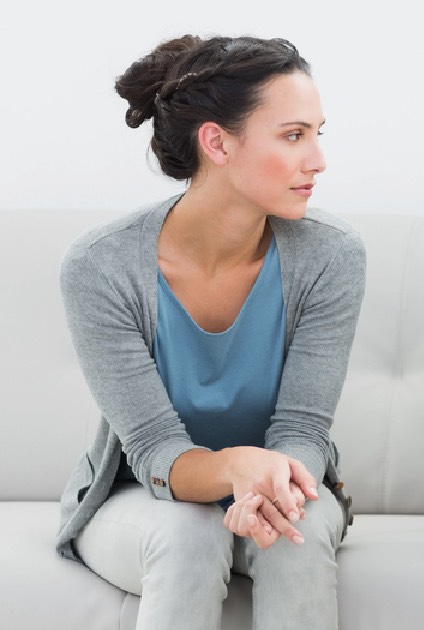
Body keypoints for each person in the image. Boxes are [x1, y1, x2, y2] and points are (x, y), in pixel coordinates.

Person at [55, 35, 366, 630]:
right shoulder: (101, 266)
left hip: (287, 482)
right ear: (217, 142)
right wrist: (232, 470)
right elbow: (153, 448)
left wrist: (266, 483)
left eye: (317, 134)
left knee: (292, 533)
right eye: (294, 135)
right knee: (190, 531)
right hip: (142, 498)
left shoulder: (331, 256)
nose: (318, 160)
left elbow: (303, 428)